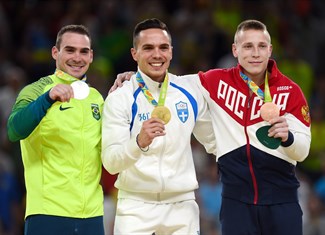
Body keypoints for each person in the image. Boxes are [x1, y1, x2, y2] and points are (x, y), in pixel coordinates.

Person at [112, 19, 311, 235]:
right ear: (235, 50)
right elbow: (171, 81)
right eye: (247, 46)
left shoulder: (290, 91)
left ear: (270, 50)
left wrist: (289, 138)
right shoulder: (215, 81)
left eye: (261, 46)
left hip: (282, 200)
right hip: (237, 202)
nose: (255, 53)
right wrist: (136, 77)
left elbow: (302, 151)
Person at [101, 18, 216, 235]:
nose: (157, 55)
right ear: (134, 54)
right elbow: (111, 163)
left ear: (171, 52)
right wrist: (138, 142)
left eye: (163, 47)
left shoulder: (189, 91)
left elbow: (215, 142)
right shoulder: (120, 98)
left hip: (182, 205)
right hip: (136, 205)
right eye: (148, 48)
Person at [7, 24, 105, 235]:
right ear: (55, 52)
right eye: (70, 50)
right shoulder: (36, 90)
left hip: (92, 216)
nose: (77, 58)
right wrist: (47, 98)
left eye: (83, 51)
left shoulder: (97, 98)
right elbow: (14, 130)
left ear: (91, 56)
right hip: (48, 213)